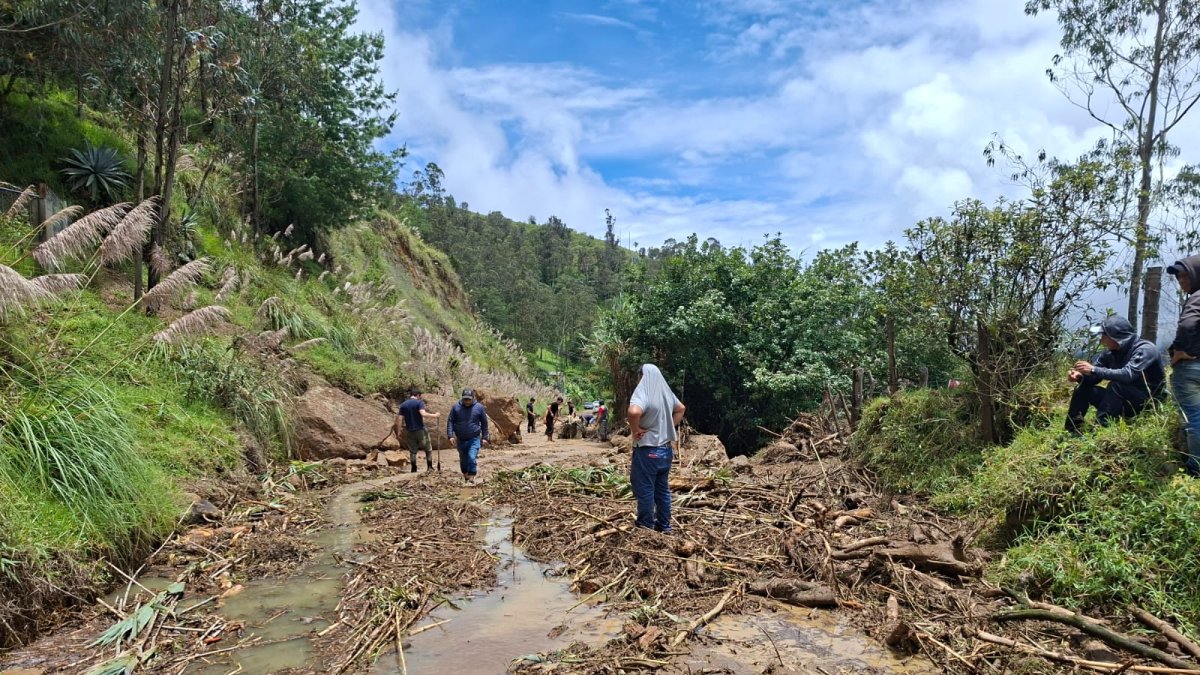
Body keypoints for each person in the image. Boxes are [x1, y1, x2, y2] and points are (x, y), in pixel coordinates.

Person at [1065, 315, 1165, 434]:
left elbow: (1128, 375)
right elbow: (1095, 376)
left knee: (1117, 385)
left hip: (1147, 403)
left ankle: (1101, 429)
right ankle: (1072, 430)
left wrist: (1093, 369)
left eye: (1103, 335)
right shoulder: (1110, 353)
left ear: (1115, 337)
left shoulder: (1145, 349)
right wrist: (1080, 377)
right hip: (1121, 401)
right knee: (1083, 388)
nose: (1101, 340)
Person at [628, 364, 686, 533]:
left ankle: (645, 526)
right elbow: (681, 408)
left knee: (645, 489)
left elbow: (633, 412)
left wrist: (635, 429)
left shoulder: (643, 391)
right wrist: (668, 427)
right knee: (662, 490)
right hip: (665, 451)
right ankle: (664, 525)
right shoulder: (666, 392)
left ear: (643, 376)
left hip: (648, 450)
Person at [1168, 256, 1200, 476]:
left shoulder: (1196, 298)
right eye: (1178, 276)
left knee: (1194, 419)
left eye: (1186, 275)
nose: (1181, 280)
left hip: (1191, 367)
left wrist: (1179, 350)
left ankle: (1195, 469)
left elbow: (1188, 325)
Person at [447, 388, 489, 484]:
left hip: (474, 438)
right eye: (465, 399)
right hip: (461, 439)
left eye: (469, 399)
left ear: (473, 398)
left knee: (471, 457)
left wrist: (485, 437)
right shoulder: (456, 407)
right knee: (463, 459)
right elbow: (450, 421)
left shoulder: (479, 407)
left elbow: (484, 423)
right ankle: (466, 476)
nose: (467, 401)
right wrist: (450, 436)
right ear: (462, 398)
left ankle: (471, 477)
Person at [397, 389, 439, 472]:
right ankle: (429, 467)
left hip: (410, 431)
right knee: (428, 448)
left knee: (412, 451)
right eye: (420, 396)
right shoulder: (419, 403)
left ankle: (413, 468)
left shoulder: (403, 405)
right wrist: (435, 415)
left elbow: (400, 418)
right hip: (420, 430)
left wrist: (398, 431)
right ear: (418, 395)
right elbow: (423, 413)